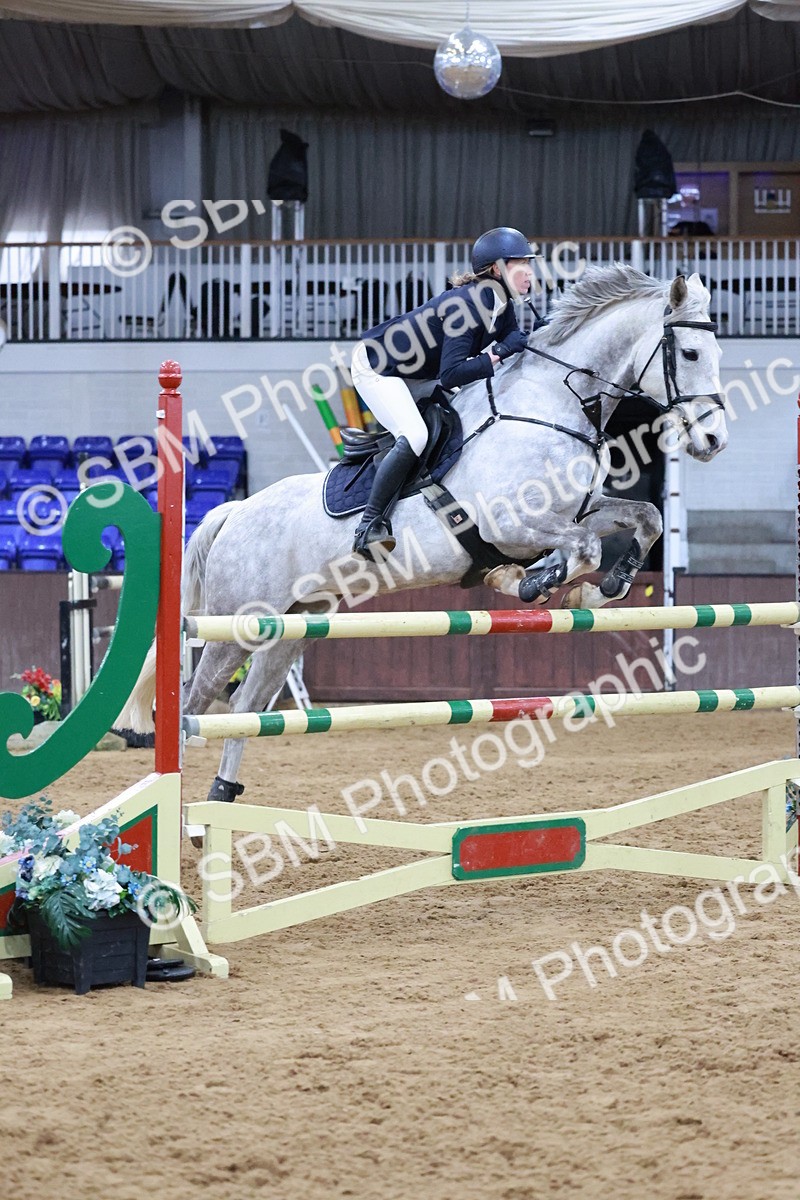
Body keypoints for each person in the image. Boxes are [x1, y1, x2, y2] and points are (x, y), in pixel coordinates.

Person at [349, 226, 539, 558]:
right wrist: (497, 353)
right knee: (416, 436)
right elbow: (452, 374)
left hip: (420, 372)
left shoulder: (501, 305)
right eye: (521, 263)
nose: (530, 273)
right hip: (379, 366)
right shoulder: (465, 306)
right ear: (497, 268)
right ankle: (369, 526)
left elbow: (514, 342)